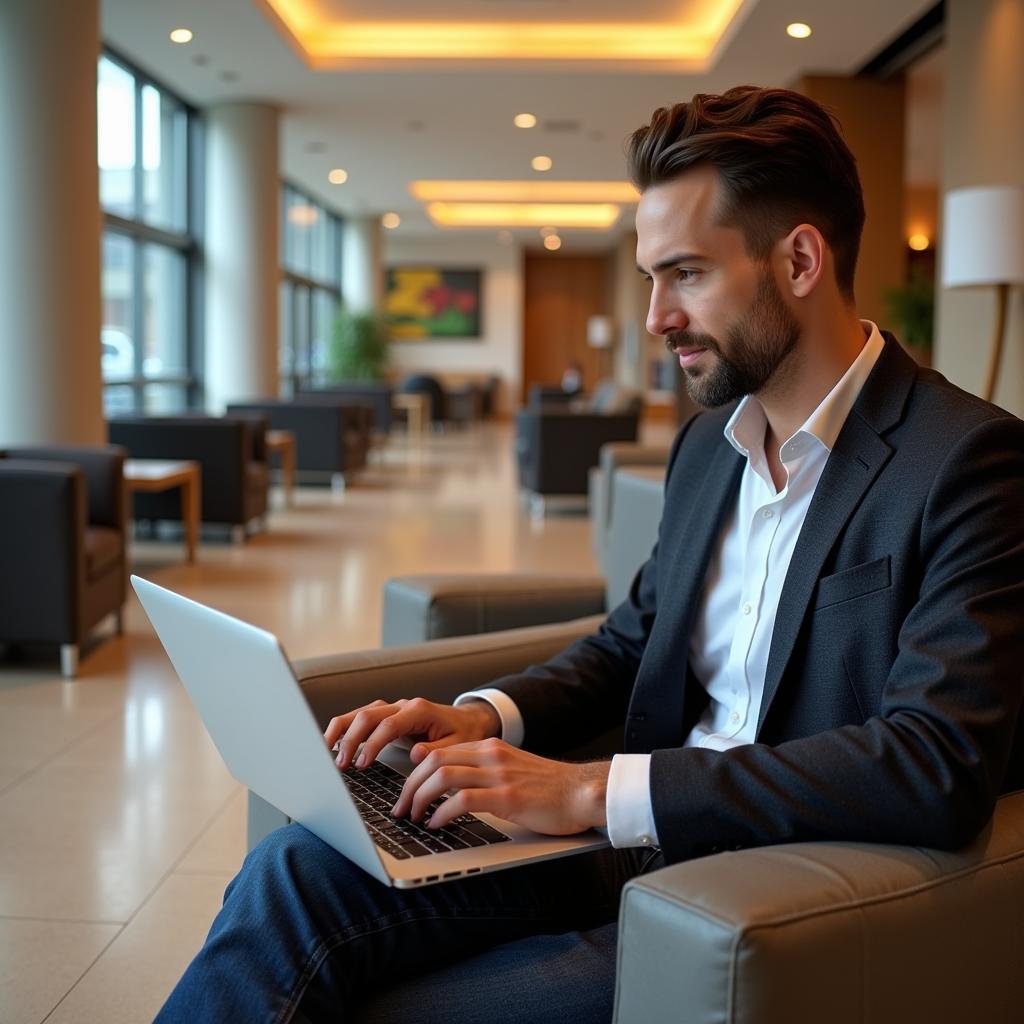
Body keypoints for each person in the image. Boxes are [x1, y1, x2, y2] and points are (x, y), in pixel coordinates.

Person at [156, 86, 1024, 1022]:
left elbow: (936, 762)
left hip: (761, 895)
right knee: (293, 871)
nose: (655, 316)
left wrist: (591, 790)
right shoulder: (707, 448)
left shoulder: (967, 462)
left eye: (685, 273)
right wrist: (486, 718)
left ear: (801, 259)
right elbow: (631, 642)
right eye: (652, 275)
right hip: (620, 849)